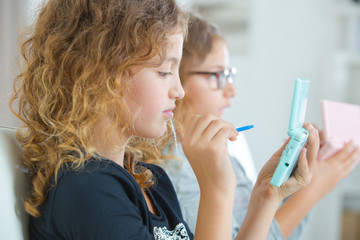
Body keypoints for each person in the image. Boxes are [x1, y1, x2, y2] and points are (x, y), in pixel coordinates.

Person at [10, 0, 320, 239]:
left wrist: (267, 195)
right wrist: (216, 188)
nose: (179, 90)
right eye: (164, 71)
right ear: (101, 74)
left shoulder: (150, 179)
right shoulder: (86, 190)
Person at [154, 13, 360, 240]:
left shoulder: (218, 153)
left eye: (229, 75)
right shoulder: (175, 165)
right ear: (176, 75)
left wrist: (292, 182)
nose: (232, 90)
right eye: (217, 75)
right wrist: (312, 190)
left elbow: (263, 228)